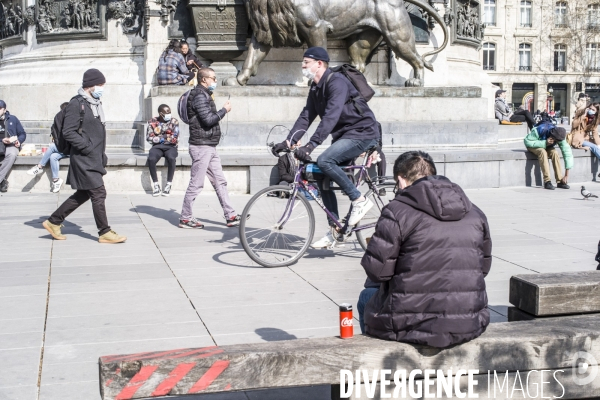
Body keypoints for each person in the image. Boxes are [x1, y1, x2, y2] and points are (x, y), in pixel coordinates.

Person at [357, 151, 491, 347]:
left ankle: (374, 361)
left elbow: (377, 272)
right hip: (469, 322)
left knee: (366, 297)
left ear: (401, 181)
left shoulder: (396, 212)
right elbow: (483, 268)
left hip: (410, 324)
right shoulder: (475, 213)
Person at [271, 47, 380, 249]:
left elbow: (331, 115)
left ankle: (359, 200)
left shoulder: (337, 82)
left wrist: (311, 145)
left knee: (325, 160)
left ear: (319, 63)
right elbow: (306, 116)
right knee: (322, 175)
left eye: (306, 62)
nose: (302, 66)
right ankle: (336, 229)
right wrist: (288, 142)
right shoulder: (315, 87)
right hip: (344, 136)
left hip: (362, 133)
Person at [42, 69, 126, 244]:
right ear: (91, 85)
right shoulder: (76, 104)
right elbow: (68, 132)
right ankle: (104, 232)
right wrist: (87, 147)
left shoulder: (94, 103)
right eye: (101, 85)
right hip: (83, 157)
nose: (102, 88)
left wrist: (99, 153)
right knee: (98, 192)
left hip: (93, 156)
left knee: (84, 193)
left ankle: (53, 221)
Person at [179, 67, 243, 229]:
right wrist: (224, 110)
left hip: (209, 145)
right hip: (201, 146)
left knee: (220, 181)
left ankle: (231, 215)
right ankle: (185, 218)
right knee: (196, 183)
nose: (215, 81)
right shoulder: (200, 96)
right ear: (204, 80)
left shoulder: (204, 94)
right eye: (213, 78)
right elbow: (208, 120)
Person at [27, 102, 69, 193]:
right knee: (53, 156)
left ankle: (39, 166)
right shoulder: (61, 121)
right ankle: (56, 180)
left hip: (73, 150)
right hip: (66, 150)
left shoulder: (70, 121)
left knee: (52, 147)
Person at [525, 125, 572, 190]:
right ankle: (547, 181)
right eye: (555, 139)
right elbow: (527, 142)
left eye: (557, 140)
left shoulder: (560, 136)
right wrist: (545, 142)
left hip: (546, 146)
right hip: (533, 146)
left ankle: (560, 181)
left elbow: (567, 153)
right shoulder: (540, 129)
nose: (556, 141)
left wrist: (566, 175)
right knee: (542, 152)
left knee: (554, 152)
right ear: (552, 135)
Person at [146, 104, 179, 196]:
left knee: (171, 158)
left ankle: (168, 184)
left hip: (171, 147)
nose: (169, 114)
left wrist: (158, 138)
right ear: (161, 113)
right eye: (167, 112)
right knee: (151, 159)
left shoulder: (174, 121)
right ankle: (156, 185)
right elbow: (149, 138)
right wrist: (165, 137)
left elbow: (174, 138)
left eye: (170, 111)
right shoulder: (152, 121)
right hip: (157, 147)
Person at [0, 99, 26, 193]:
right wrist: (2, 140)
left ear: (4, 110)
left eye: (0, 108)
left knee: (11, 154)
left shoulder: (13, 119)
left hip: (11, 145)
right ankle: (2, 182)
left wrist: (19, 141)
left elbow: (22, 133)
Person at [570, 102, 600, 177]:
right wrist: (583, 116)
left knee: (597, 147)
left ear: (596, 112)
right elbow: (574, 124)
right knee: (594, 147)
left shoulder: (594, 119)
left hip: (585, 138)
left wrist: (599, 144)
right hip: (577, 137)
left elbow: (595, 133)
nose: (590, 110)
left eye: (593, 110)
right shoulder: (581, 113)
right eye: (589, 108)